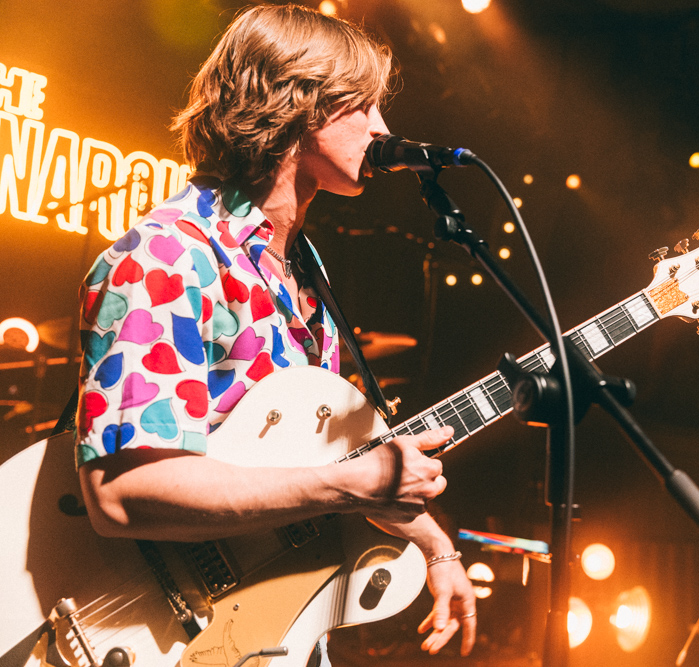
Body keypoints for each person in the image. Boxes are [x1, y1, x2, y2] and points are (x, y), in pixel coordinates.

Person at [74, 4, 475, 658]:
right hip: (146, 632)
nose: (383, 128)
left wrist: (435, 545)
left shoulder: (304, 272)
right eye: (364, 105)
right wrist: (356, 483)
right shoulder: (171, 256)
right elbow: (121, 493)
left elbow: (320, 466)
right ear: (295, 104)